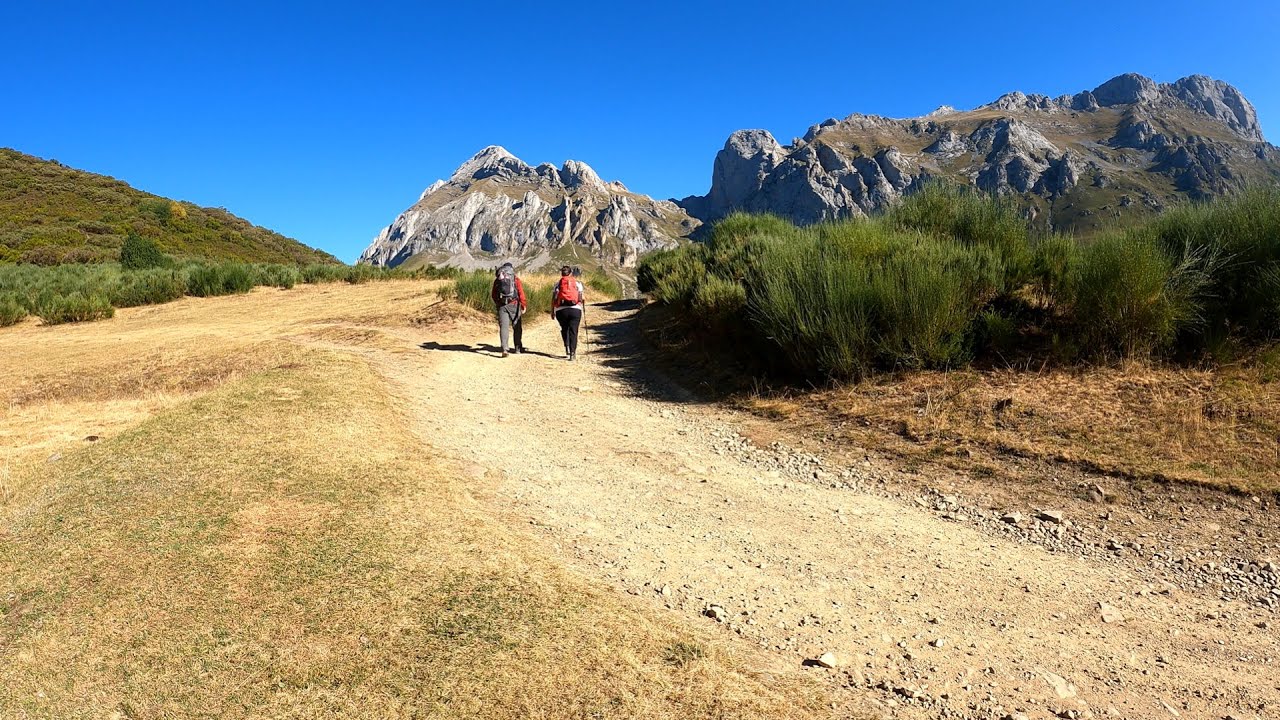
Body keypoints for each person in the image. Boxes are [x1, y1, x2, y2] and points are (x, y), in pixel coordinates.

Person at [490, 262, 526, 357]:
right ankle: (518, 348)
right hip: (514, 304)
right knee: (517, 326)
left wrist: (498, 303)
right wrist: (523, 305)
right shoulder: (515, 279)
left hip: (502, 305)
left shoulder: (498, 280)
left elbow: (493, 295)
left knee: (504, 327)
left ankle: (504, 349)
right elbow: (521, 293)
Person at [551, 264, 585, 360]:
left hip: (561, 310)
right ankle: (573, 353)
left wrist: (552, 311)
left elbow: (553, 299)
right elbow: (582, 298)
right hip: (575, 310)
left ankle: (567, 348)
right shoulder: (577, 283)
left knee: (564, 329)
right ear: (570, 273)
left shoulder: (557, 284)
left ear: (562, 274)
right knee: (573, 331)